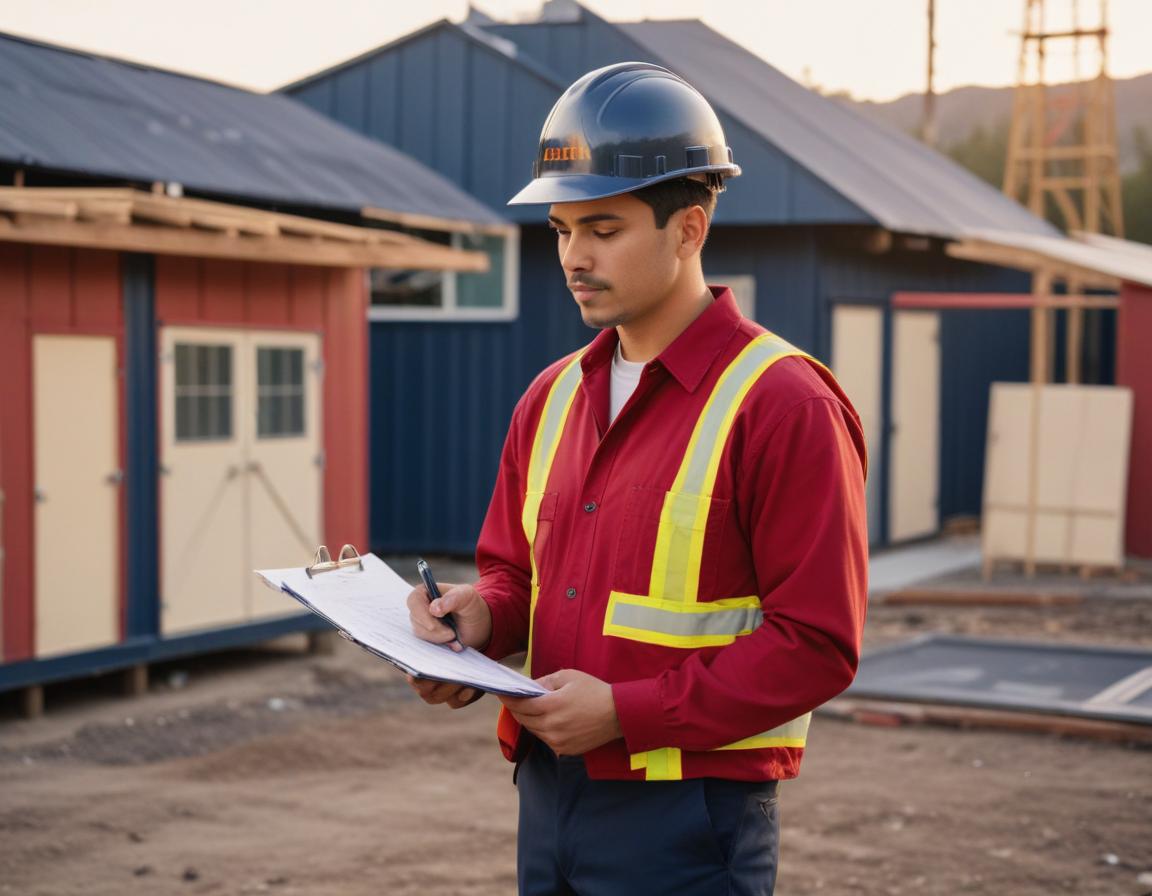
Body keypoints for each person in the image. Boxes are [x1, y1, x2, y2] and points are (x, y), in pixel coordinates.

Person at [406, 61, 868, 895]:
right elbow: (518, 578)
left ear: (689, 228)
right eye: (560, 229)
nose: (574, 258)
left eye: (604, 229)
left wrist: (626, 711)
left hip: (693, 821)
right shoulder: (549, 398)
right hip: (547, 799)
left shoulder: (785, 404)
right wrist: (472, 624)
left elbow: (819, 646)